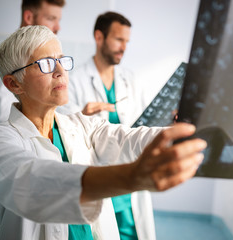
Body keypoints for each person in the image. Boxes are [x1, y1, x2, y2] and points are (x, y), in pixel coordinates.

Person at [0, 25, 207, 240]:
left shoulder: (82, 126)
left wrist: (181, 132)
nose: (60, 71)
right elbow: (31, 183)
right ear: (14, 84)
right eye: (45, 63)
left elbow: (128, 139)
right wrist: (133, 177)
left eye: (62, 61)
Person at [0, 1, 65, 239]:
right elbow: (16, 118)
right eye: (51, 18)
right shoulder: (3, 65)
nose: (58, 27)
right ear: (29, 16)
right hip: (5, 168)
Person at [58, 11, 153, 240]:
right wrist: (81, 114)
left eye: (127, 41)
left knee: (132, 233)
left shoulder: (129, 79)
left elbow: (141, 125)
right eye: (119, 39)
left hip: (130, 177)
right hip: (99, 176)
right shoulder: (75, 80)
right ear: (99, 37)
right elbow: (62, 127)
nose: (124, 47)